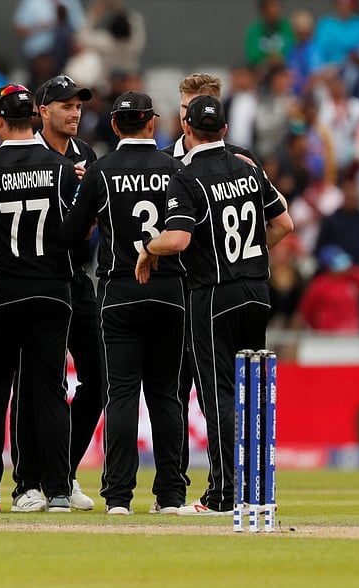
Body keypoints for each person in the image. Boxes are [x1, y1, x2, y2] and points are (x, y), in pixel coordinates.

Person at [136, 96, 294, 515]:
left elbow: (178, 240)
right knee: (254, 391)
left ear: (187, 130)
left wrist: (148, 249)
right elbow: (284, 223)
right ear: (224, 129)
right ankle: (256, 490)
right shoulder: (248, 168)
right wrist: (250, 257)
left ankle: (223, 495)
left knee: (218, 392)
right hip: (256, 291)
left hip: (213, 294)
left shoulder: (185, 176)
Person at [59, 91, 188, 515]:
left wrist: (88, 202)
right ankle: (171, 496)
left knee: (121, 394)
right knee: (166, 394)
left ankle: (118, 497)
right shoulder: (175, 168)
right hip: (169, 291)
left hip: (119, 292)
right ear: (152, 123)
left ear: (115, 125)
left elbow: (71, 234)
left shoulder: (100, 171)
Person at [0, 84, 77, 512]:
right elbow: (79, 232)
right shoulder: (62, 169)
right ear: (34, 117)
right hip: (53, 288)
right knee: (50, 390)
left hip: (4, 288)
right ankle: (57, 489)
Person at [33, 73, 98, 511]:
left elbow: (94, 223)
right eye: (65, 106)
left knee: (99, 377)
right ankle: (31, 481)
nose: (74, 113)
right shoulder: (30, 154)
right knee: (41, 383)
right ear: (43, 111)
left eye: (78, 106)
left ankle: (63, 472)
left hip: (75, 277)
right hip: (37, 279)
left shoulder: (85, 155)